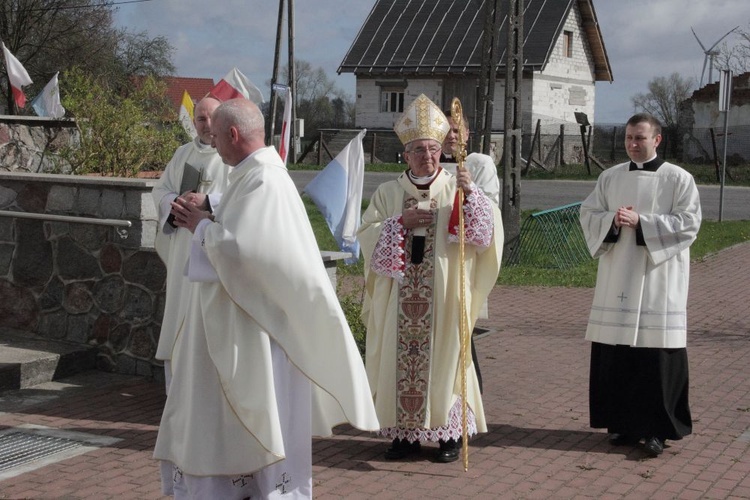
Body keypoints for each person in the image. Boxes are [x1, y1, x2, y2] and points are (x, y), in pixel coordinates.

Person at [153, 98, 379, 498]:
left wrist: (201, 227)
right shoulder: (255, 172)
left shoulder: (265, 179)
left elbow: (248, 252)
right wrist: (211, 204)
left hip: (259, 331)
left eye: (219, 136)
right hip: (246, 321)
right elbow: (244, 214)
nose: (215, 144)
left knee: (252, 415)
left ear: (234, 135)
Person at [358, 94, 504, 464]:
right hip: (399, 296)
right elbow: (366, 234)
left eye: (434, 149)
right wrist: (397, 224)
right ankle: (404, 436)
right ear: (405, 155)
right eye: (419, 150)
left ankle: (448, 436)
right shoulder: (389, 193)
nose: (428, 156)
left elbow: (484, 237)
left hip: (444, 294)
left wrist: (472, 198)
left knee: (447, 361)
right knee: (398, 359)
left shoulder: (456, 188)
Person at [579, 113, 702, 458]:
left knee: (655, 357)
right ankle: (622, 423)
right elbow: (588, 214)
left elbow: (690, 222)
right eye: (629, 138)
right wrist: (611, 221)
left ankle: (657, 431)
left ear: (657, 140)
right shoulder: (609, 177)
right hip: (618, 273)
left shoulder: (679, 178)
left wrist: (642, 222)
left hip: (657, 278)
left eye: (640, 138)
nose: (633, 144)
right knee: (617, 355)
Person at [151, 95, 227, 388]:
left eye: (212, 118)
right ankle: (176, 389)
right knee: (180, 315)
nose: (207, 125)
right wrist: (176, 203)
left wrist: (209, 203)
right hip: (184, 245)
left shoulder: (231, 156)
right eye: (201, 119)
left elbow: (242, 200)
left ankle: (208, 390)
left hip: (213, 251)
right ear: (193, 121)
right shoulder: (182, 154)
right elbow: (161, 191)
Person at [440, 110, 500, 206]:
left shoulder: (481, 163)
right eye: (446, 131)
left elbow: (490, 204)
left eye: (456, 131)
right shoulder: (430, 164)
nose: (451, 136)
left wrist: (470, 189)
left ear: (467, 134)